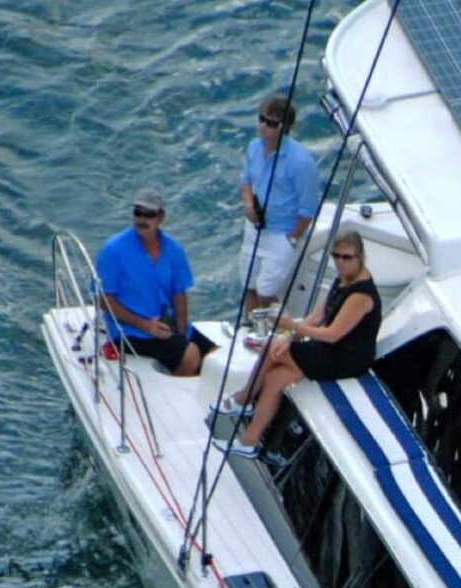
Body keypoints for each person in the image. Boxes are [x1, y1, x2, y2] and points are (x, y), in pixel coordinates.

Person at [213, 229, 380, 458]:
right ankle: (249, 442)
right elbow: (318, 316)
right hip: (331, 349)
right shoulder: (343, 279)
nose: (340, 262)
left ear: (360, 257)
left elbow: (332, 334)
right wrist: (290, 336)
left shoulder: (361, 295)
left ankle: (244, 399)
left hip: (346, 357)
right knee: (273, 379)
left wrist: (291, 327)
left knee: (270, 349)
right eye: (336, 256)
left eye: (347, 257)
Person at [94, 188, 217, 376]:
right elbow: (104, 300)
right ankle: (176, 396)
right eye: (138, 213)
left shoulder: (174, 249)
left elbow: (179, 295)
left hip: (167, 325)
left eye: (149, 215)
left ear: (161, 217)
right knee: (191, 355)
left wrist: (181, 333)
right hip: (130, 331)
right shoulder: (113, 250)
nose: (142, 220)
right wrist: (144, 325)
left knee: (217, 359)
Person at [238, 94, 320, 316]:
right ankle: (251, 331)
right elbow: (246, 181)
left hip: (281, 234)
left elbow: (308, 209)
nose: (263, 127)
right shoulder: (254, 147)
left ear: (285, 128)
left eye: (271, 123)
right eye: (261, 119)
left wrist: (291, 239)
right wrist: (248, 205)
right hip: (254, 228)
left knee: (267, 290)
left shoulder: (300, 162)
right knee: (249, 284)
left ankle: (278, 332)